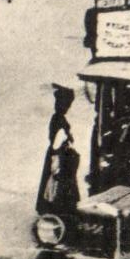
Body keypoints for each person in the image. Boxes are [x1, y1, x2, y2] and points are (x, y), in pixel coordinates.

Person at [36, 85, 80, 218]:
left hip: (56, 154)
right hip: (59, 156)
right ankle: (59, 209)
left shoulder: (56, 118)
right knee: (58, 182)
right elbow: (56, 143)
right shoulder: (60, 120)